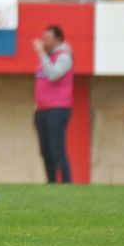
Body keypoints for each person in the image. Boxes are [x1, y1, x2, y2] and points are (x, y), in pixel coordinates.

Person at [33, 25, 75, 184]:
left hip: (57, 109)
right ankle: (51, 182)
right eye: (43, 38)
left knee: (57, 149)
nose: (44, 42)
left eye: (47, 39)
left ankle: (66, 183)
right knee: (45, 150)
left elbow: (53, 75)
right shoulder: (46, 57)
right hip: (42, 110)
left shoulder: (64, 56)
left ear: (57, 39)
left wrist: (42, 54)